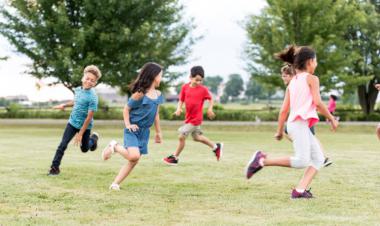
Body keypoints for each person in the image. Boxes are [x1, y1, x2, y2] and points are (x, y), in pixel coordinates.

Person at [245, 45, 338, 199]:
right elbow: (318, 103)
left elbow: (283, 110)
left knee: (319, 159)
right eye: (316, 61)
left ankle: (299, 191)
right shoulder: (312, 79)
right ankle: (262, 160)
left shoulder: (293, 82)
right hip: (299, 124)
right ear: (309, 62)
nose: (316, 64)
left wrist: (280, 131)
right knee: (302, 161)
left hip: (295, 125)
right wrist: (332, 118)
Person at [102, 62, 164, 190]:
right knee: (134, 156)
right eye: (161, 75)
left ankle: (115, 184)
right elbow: (126, 109)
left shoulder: (158, 94)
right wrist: (128, 124)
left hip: (145, 132)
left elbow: (156, 115)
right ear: (154, 76)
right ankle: (115, 146)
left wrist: (158, 133)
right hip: (133, 130)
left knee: (133, 161)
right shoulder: (140, 93)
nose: (161, 78)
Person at [163, 66, 223, 165]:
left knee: (181, 137)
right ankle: (216, 147)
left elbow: (211, 99)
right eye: (197, 80)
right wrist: (179, 108)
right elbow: (181, 99)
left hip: (196, 119)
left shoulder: (203, 90)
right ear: (190, 77)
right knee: (197, 137)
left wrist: (210, 109)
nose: (199, 82)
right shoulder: (185, 87)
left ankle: (175, 158)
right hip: (189, 118)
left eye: (201, 80)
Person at [48, 65, 101, 176]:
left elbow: (89, 117)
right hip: (72, 123)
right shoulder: (78, 90)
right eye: (87, 78)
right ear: (83, 78)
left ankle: (93, 140)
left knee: (85, 149)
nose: (89, 81)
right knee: (62, 145)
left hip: (85, 126)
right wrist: (64, 105)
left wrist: (81, 133)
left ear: (95, 83)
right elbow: (76, 101)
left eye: (92, 80)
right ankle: (54, 168)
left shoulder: (93, 97)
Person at [281, 64, 332, 167]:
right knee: (307, 138)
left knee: (309, 143)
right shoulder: (293, 86)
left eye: (285, 75)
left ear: (292, 75)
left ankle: (322, 157)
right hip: (297, 119)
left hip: (303, 118)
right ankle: (318, 156)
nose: (283, 78)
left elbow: (317, 102)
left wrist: (331, 118)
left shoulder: (298, 84)